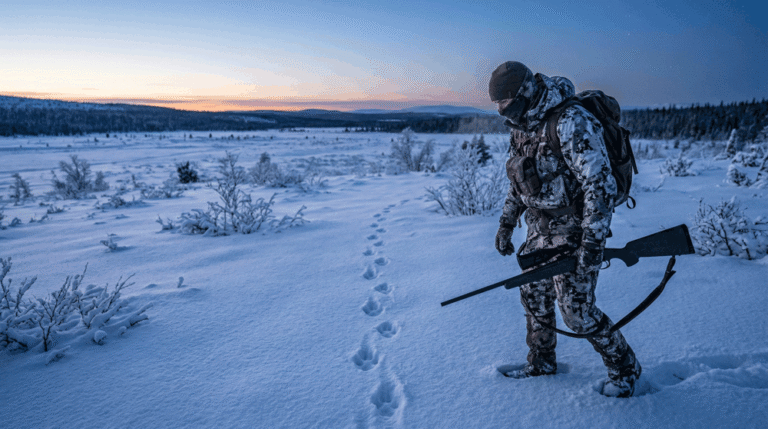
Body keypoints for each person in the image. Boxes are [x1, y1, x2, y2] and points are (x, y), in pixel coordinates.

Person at [489, 61, 641, 398]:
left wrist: (592, 244)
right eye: (497, 104)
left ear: (524, 92)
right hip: (538, 229)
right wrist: (506, 223)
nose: (501, 110)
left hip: (575, 230)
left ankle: (625, 368)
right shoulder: (520, 127)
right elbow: (517, 183)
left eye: (505, 102)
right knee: (534, 298)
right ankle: (541, 363)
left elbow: (599, 186)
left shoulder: (571, 121)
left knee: (577, 313)